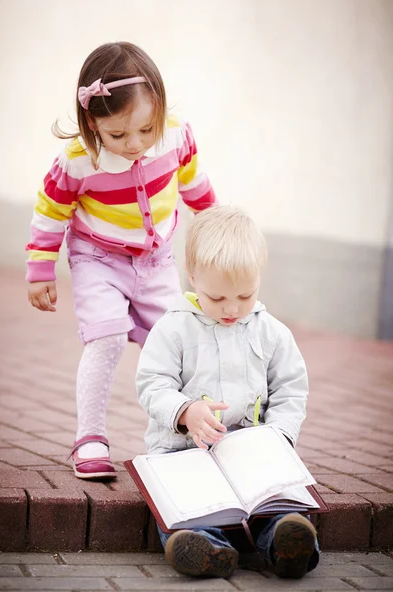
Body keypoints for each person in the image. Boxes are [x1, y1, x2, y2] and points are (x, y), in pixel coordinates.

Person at [25, 41, 217, 479]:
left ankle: (180, 437)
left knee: (174, 344)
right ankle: (89, 437)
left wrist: (214, 230)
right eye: (118, 134)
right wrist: (40, 270)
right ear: (92, 122)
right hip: (97, 259)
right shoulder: (78, 160)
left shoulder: (176, 134)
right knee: (108, 339)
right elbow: (51, 211)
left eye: (145, 130)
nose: (135, 144)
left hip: (157, 261)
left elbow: (195, 186)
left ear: (161, 111)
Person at [136, 205, 319, 579]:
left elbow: (290, 390)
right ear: (192, 276)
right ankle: (205, 547)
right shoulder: (173, 329)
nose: (232, 308)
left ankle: (286, 543)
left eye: (245, 295)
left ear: (258, 280)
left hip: (251, 455)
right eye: (217, 298)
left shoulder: (272, 333)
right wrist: (185, 412)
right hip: (185, 454)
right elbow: (153, 384)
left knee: (277, 503)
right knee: (183, 506)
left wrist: (279, 437)